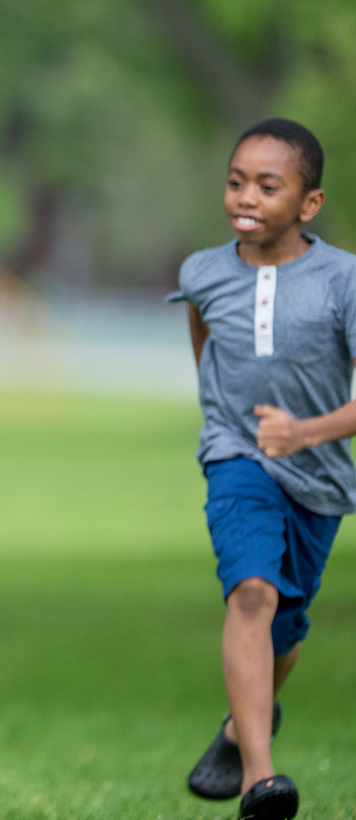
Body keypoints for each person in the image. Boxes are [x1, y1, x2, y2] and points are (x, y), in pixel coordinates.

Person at [175, 118, 356, 820]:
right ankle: (260, 778)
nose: (245, 196)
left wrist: (305, 430)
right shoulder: (203, 271)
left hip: (319, 477)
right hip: (236, 458)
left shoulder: (342, 279)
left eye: (267, 185)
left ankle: (237, 726)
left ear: (308, 204)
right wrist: (225, 420)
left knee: (284, 625)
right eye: (235, 180)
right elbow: (204, 333)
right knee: (251, 591)